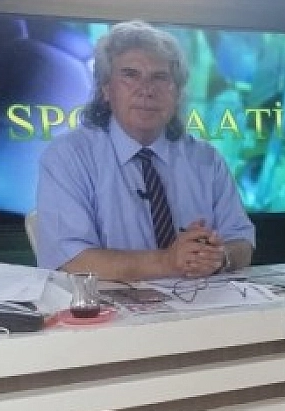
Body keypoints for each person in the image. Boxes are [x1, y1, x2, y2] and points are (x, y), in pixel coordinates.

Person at [35, 20, 254, 282]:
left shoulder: (206, 159)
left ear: (177, 94)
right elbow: (71, 261)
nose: (147, 90)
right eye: (130, 75)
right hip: (110, 308)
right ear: (106, 89)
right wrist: (167, 261)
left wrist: (219, 258)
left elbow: (242, 241)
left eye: (160, 77)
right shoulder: (67, 157)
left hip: (203, 302)